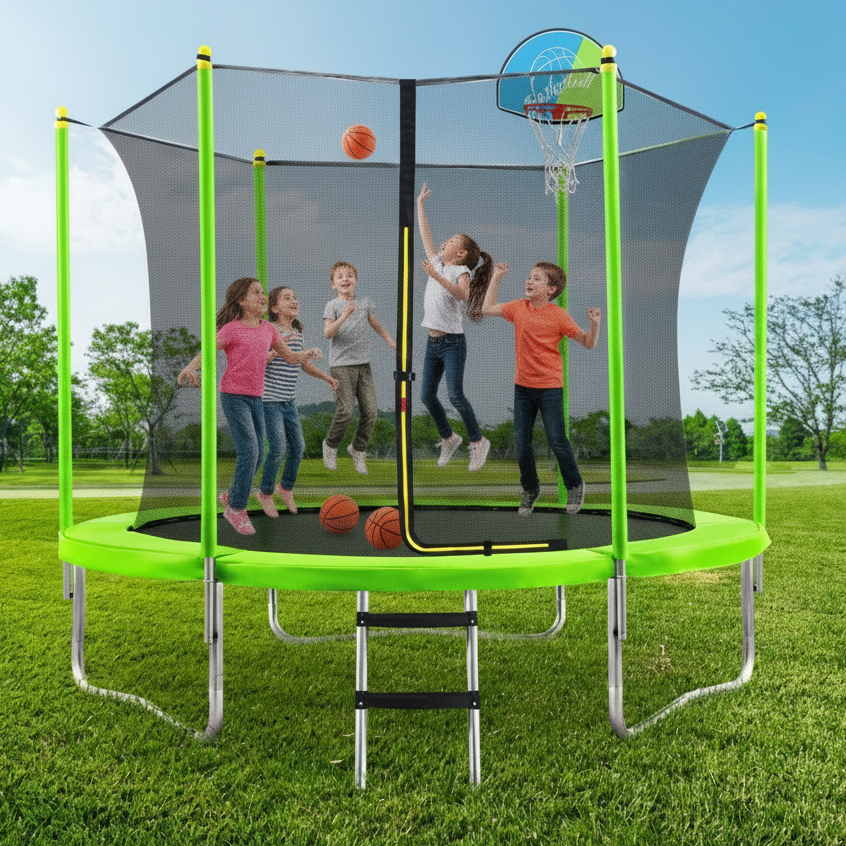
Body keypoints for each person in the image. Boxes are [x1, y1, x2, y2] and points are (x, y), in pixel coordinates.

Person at [178, 277, 323, 535]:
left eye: (262, 292)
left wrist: (306, 354)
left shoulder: (268, 329)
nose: (262, 296)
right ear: (242, 300)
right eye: (256, 292)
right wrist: (190, 368)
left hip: (257, 397)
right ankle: (236, 509)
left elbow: (290, 358)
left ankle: (232, 494)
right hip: (234, 396)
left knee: (258, 452)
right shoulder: (231, 329)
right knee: (250, 450)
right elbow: (207, 352)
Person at [481, 261, 601, 516]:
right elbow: (486, 307)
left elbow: (588, 343)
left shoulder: (559, 316)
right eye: (529, 277)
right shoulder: (518, 307)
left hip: (549, 388)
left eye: (537, 278)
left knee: (557, 440)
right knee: (521, 443)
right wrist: (497, 276)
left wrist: (595, 324)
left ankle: (574, 484)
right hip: (522, 388)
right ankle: (530, 489)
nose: (529, 281)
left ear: (550, 289)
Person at [416, 182, 492, 471]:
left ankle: (478, 441)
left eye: (450, 241)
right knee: (426, 395)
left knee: (455, 395)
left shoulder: (460, 271)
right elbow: (426, 236)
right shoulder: (438, 262)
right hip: (432, 343)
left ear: (460, 254)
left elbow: (463, 295)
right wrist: (420, 205)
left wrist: (436, 276)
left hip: (452, 343)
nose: (443, 243)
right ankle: (449, 438)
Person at [259, 285, 338, 516]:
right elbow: (258, 359)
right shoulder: (270, 331)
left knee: (298, 446)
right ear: (274, 308)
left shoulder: (296, 332)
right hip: (269, 401)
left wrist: (326, 377)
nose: (294, 300)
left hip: (288, 401)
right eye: (287, 298)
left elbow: (303, 363)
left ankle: (285, 487)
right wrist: (274, 354)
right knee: (277, 448)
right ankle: (265, 493)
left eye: (295, 297)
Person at [322, 261, 396, 475]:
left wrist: (392, 343)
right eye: (340, 277)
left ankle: (358, 448)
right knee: (345, 410)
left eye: (349, 275)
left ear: (356, 280)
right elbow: (327, 333)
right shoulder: (333, 305)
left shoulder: (365, 303)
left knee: (371, 411)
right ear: (333, 284)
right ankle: (330, 444)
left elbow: (376, 325)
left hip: (363, 364)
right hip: (341, 365)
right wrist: (344, 315)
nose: (345, 279)